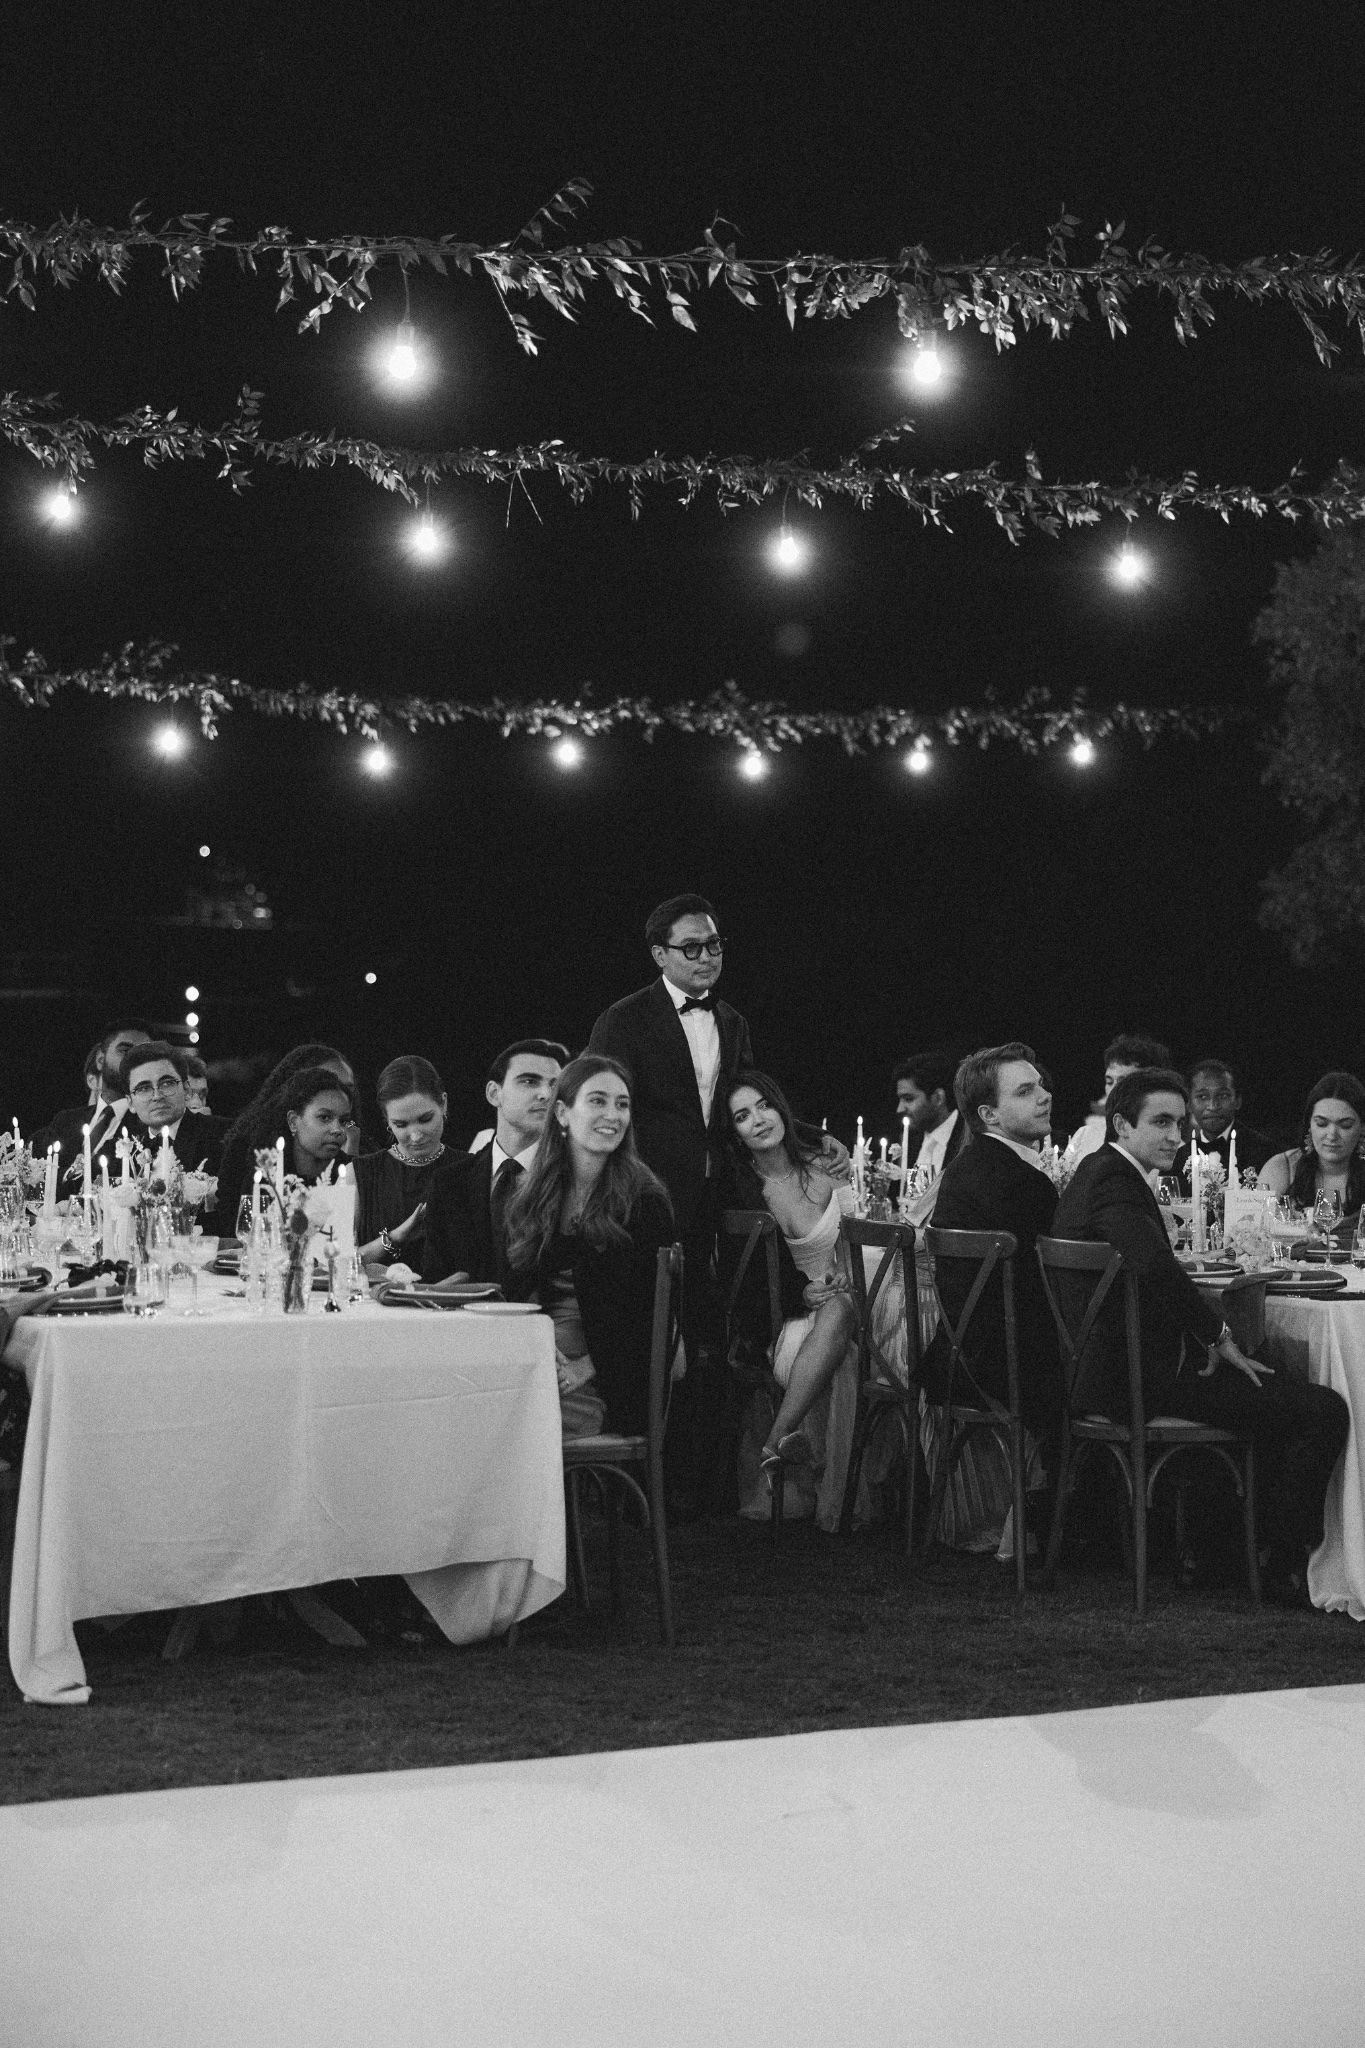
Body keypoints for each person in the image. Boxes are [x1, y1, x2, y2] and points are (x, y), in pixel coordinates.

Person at [1053, 1067, 1349, 1602]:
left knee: (1274, 1382)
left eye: (1179, 1123)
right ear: (1122, 1125)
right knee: (1322, 1409)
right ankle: (1278, 1564)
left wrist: (1209, 1339)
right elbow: (1154, 1266)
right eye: (1161, 1122)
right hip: (1135, 1382)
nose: (1176, 1135)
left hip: (1116, 1369)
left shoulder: (1099, 1172)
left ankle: (1223, 1553)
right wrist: (1216, 1336)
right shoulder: (1115, 1183)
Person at [503, 1055, 675, 1438]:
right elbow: (515, 1289)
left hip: (607, 1381)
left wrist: (584, 1367)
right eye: (598, 1101)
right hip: (538, 1360)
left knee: (500, 1414)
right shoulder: (534, 1193)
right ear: (562, 1114)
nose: (613, 1115)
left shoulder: (644, 1202)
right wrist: (533, 1346)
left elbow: (650, 1318)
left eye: (622, 1104)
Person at [723, 1072, 859, 1482]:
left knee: (852, 1305)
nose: (759, 1119)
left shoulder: (827, 1162)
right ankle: (781, 1445)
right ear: (735, 1134)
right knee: (841, 1318)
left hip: (858, 1285)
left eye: (765, 1105)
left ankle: (775, 1442)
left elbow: (859, 1232)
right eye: (743, 1116)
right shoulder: (748, 1192)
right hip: (794, 1313)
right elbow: (747, 1279)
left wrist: (847, 1271)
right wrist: (802, 1293)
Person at [921, 1044, 1061, 1440]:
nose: (1045, 1096)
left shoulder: (964, 1168)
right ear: (989, 1115)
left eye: (1041, 1085)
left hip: (956, 1360)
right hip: (1008, 1373)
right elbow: (1052, 1292)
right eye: (1025, 1091)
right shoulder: (1024, 1184)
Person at [420, 1040, 568, 1287]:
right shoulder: (449, 1183)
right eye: (529, 1081)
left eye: (554, 1085)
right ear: (494, 1093)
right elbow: (437, 1281)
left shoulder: (574, 1177)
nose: (546, 1094)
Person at [218, 1043, 356, 1225]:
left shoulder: (352, 1167)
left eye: (343, 1120)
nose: (337, 1129)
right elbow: (242, 1229)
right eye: (324, 1117)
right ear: (293, 1120)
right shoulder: (262, 1167)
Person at [354, 1055, 458, 1274]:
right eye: (401, 1124)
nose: (416, 1135)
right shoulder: (358, 1174)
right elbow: (332, 1263)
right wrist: (395, 1237)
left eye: (425, 1119)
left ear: (444, 1104)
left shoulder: (472, 1168)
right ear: (387, 1120)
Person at [32, 1020, 154, 1187]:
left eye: (143, 1055)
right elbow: (36, 1175)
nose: (134, 1060)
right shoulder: (66, 1121)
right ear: (100, 1060)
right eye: (125, 1051)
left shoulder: (148, 1127)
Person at [1258, 1071, 1365, 1219]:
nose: (1332, 1135)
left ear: (1362, 1127)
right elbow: (1257, 1227)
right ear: (1309, 1125)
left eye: (1345, 1125)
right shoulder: (1283, 1168)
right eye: (1322, 1124)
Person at [123, 1041, 229, 1178]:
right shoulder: (124, 1150)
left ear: (186, 1090)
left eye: (167, 1084)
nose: (157, 1096)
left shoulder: (223, 1136)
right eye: (144, 1088)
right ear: (130, 1102)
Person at [1066, 1032, 1171, 1166]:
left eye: (1123, 1083)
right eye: (1109, 1082)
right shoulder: (1086, 1135)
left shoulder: (1168, 1144)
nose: (1114, 1091)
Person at [1172, 1058, 1275, 1180]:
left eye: (1222, 1096)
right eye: (1202, 1097)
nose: (1212, 1106)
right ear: (1189, 1104)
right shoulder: (1177, 1160)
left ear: (1238, 1101)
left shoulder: (1267, 1154)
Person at [893, 1048, 967, 1179]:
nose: (899, 1109)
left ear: (938, 1098)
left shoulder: (969, 1136)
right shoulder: (908, 1140)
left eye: (908, 1099)